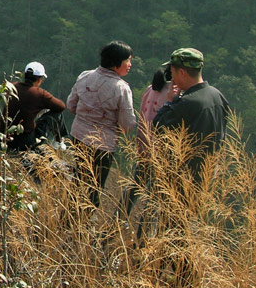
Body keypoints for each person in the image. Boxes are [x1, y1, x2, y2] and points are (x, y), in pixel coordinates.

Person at [66, 40, 137, 208]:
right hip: (103, 145)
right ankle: (81, 223)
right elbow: (127, 124)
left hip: (78, 136)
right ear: (116, 62)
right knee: (94, 186)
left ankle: (67, 215)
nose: (130, 65)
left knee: (80, 177)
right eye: (128, 60)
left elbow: (71, 105)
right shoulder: (121, 88)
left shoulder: (85, 76)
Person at [153, 47, 230, 184]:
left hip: (184, 178)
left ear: (182, 72)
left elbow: (159, 127)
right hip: (209, 175)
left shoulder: (187, 102)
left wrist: (169, 103)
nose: (172, 80)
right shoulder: (218, 96)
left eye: (173, 73)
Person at [122, 67, 172, 220]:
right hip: (161, 152)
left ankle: (115, 224)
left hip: (143, 145)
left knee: (133, 189)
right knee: (154, 197)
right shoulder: (172, 93)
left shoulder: (150, 89)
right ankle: (143, 237)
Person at [0, 61, 65, 151]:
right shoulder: (40, 94)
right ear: (40, 79)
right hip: (25, 142)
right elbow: (61, 106)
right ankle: (58, 142)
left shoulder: (12, 86)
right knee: (57, 114)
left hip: (2, 137)